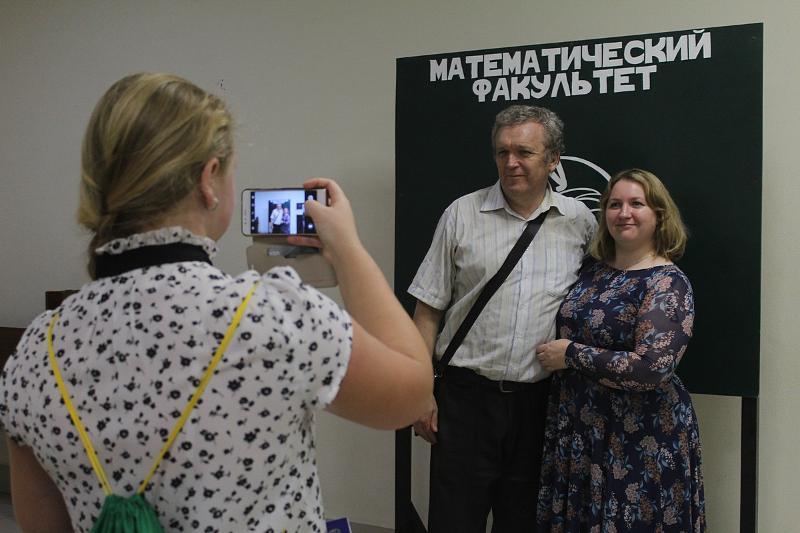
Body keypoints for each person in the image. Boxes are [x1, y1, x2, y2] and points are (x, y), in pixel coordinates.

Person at [0, 73, 432, 533]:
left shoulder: (35, 352)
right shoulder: (274, 315)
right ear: (209, 180)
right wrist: (348, 250)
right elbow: (412, 394)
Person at [408, 105, 597, 532]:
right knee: (454, 521)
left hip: (539, 406)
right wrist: (420, 392)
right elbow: (427, 310)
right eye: (502, 152)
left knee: (523, 522)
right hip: (466, 400)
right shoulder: (462, 214)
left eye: (524, 152)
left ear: (553, 159)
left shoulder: (579, 222)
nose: (511, 163)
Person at [535, 169, 705, 532]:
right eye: (614, 205)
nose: (624, 213)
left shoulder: (668, 283)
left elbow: (652, 368)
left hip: (640, 438)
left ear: (659, 214)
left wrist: (571, 354)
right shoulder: (592, 271)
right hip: (581, 430)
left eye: (636, 204)